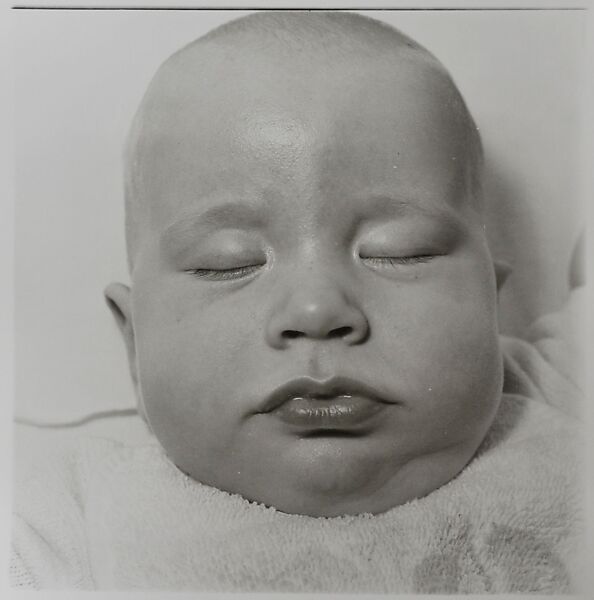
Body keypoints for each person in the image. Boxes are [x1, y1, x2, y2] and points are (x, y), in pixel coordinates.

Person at [11, 11, 585, 592]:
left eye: (400, 251)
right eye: (228, 264)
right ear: (135, 342)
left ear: (491, 304)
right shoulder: (66, 519)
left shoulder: (557, 405)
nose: (317, 311)